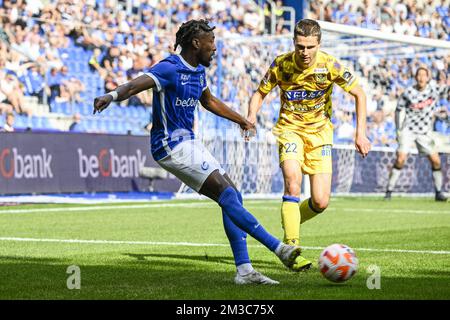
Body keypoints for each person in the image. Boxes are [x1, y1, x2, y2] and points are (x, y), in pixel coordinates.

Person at [93, 19, 302, 285]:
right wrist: (110, 96)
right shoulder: (169, 68)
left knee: (233, 195)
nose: (214, 48)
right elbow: (135, 85)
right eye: (211, 42)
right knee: (227, 194)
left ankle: (245, 271)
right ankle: (278, 248)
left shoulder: (198, 71)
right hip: (169, 144)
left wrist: (241, 120)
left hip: (188, 142)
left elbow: (209, 101)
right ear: (195, 43)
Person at [246, 19, 371, 270]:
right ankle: (291, 248)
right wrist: (250, 117)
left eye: (310, 47)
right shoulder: (282, 64)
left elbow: (359, 93)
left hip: (321, 135)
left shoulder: (330, 64)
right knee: (292, 181)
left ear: (319, 44)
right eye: (300, 46)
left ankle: (290, 219)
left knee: (321, 201)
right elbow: (260, 93)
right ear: (294, 43)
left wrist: (361, 133)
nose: (304, 52)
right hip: (289, 130)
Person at [385, 66, 447, 202]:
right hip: (408, 130)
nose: (421, 78)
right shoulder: (408, 93)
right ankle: (389, 191)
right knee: (400, 158)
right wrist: (398, 129)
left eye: (424, 75)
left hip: (425, 132)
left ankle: (438, 192)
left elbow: (446, 89)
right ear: (415, 77)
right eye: (419, 75)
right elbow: (398, 110)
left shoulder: (433, 90)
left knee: (436, 161)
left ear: (428, 77)